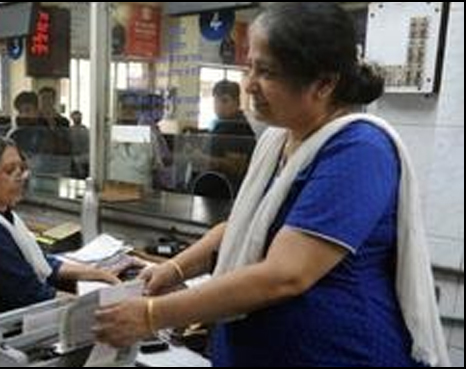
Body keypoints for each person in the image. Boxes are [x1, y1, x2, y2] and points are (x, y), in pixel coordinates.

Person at [93, 3, 449, 366]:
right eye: (250, 67)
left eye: (266, 72)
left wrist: (152, 315)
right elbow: (242, 227)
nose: (249, 84)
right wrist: (174, 269)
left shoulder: (359, 150)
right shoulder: (278, 140)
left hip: (336, 354)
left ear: (324, 83)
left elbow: (285, 275)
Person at [0, 136, 120, 364]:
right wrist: (95, 306)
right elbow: (32, 295)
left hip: (11, 331)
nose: (21, 177)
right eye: (10, 171)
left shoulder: (4, 214)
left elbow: (43, 264)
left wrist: (97, 274)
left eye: (22, 168)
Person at [69, 110, 89, 179]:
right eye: (75, 118)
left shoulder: (85, 129)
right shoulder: (70, 130)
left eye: (78, 117)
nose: (77, 119)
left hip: (85, 155)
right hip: (75, 156)